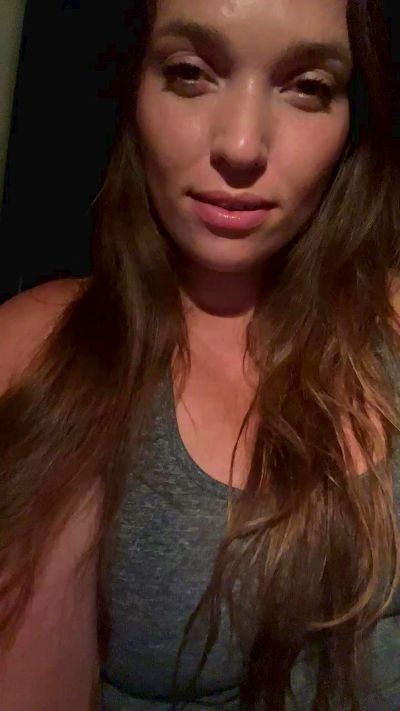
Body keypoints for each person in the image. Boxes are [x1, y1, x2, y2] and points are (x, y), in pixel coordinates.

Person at [0, 0, 399, 709]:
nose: (241, 145)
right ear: (130, 86)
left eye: (307, 86)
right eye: (190, 73)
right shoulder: (43, 351)